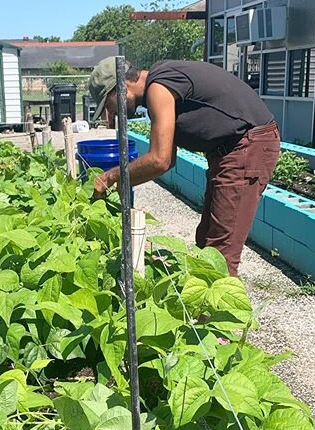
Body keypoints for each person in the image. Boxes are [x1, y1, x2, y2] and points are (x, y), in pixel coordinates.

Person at [88, 57, 281, 276]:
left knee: (220, 253)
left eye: (109, 104)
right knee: (206, 242)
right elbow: (167, 157)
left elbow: (161, 160)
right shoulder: (162, 80)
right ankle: (200, 307)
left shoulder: (159, 88)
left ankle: (215, 309)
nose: (111, 114)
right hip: (230, 151)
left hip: (247, 147)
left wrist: (112, 177)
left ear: (121, 87)